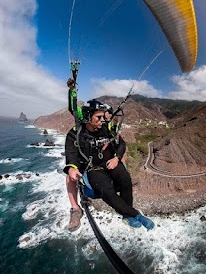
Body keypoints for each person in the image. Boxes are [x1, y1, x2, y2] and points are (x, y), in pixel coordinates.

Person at [64, 98, 154, 230]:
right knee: (106, 190)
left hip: (110, 163)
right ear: (89, 117)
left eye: (103, 117)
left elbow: (121, 144)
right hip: (93, 169)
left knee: (125, 179)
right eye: (98, 117)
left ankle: (127, 216)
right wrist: (72, 168)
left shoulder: (106, 128)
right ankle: (135, 214)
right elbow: (71, 154)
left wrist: (117, 158)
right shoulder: (76, 134)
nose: (102, 120)